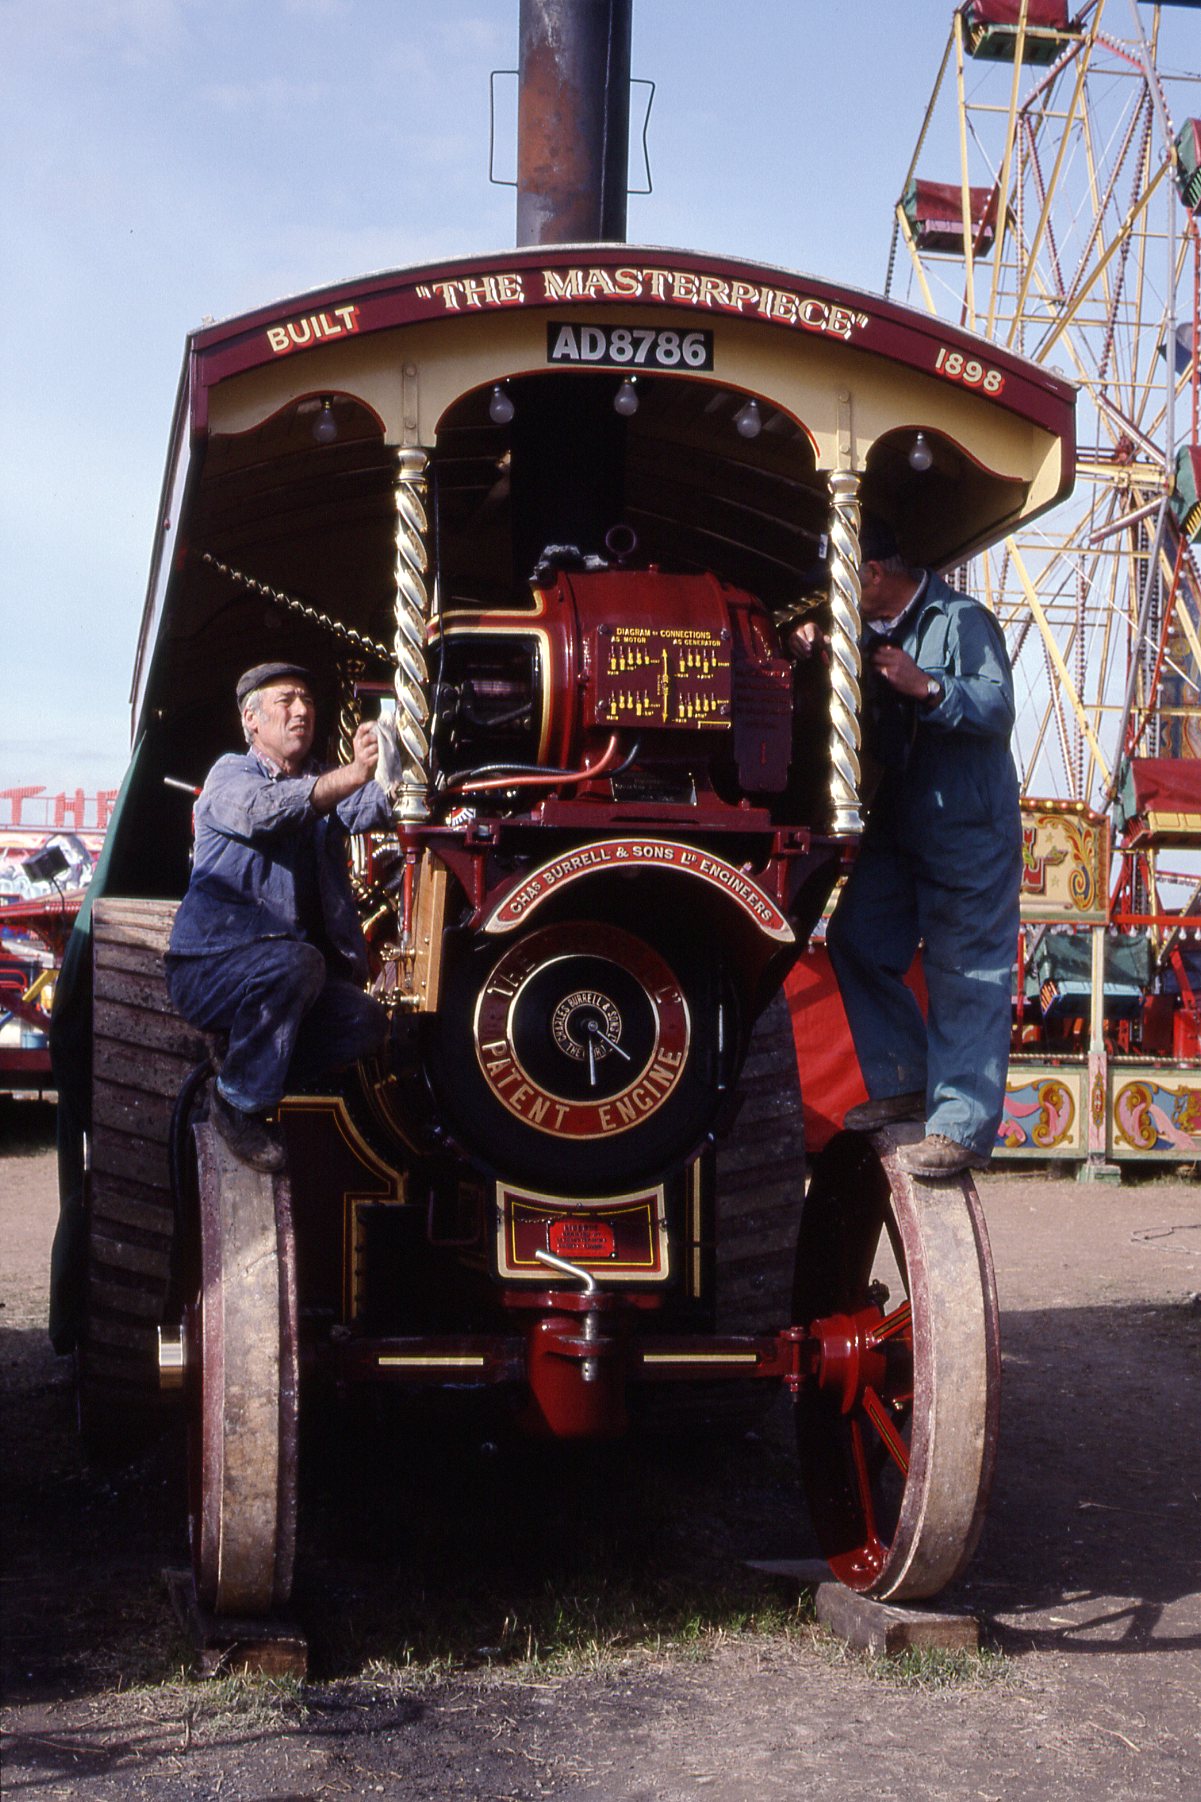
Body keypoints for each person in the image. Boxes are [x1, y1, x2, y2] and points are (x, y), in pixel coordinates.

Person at [791, 520, 1021, 1179]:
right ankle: (903, 1079)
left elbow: (997, 707)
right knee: (858, 939)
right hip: (900, 822)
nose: (834, 599)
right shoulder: (867, 630)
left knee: (965, 971)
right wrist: (814, 650)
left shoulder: (961, 619)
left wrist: (928, 687)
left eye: (839, 586)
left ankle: (959, 1127)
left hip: (967, 831)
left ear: (869, 575)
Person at [165, 661, 393, 1172]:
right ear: (252, 720)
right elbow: (270, 811)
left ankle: (245, 1065)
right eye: (287, 700)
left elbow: (370, 807)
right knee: (298, 963)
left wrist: (405, 764)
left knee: (366, 1022)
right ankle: (236, 1103)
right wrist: (354, 772)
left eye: (308, 701)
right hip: (211, 968)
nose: (302, 711)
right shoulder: (229, 774)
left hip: (284, 971)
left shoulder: (318, 781)